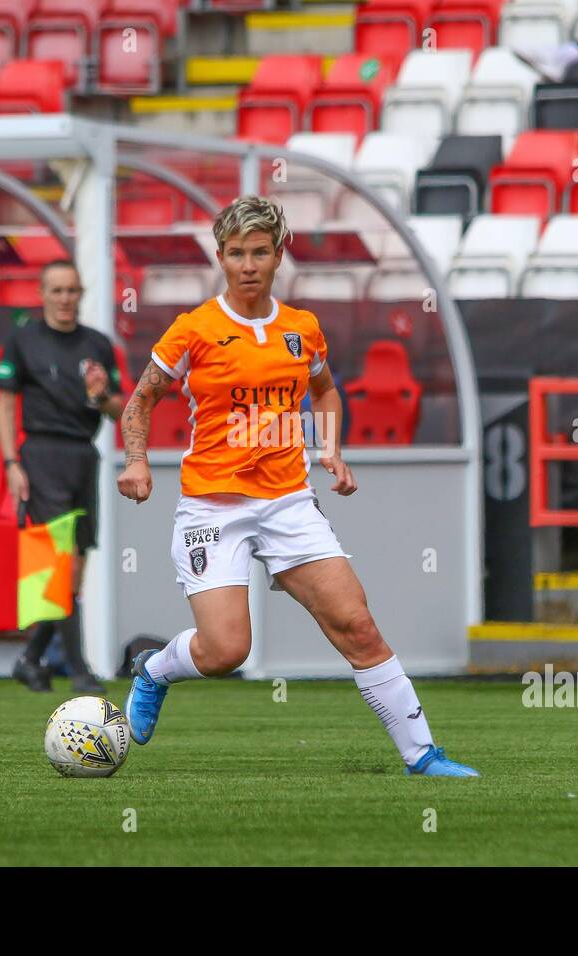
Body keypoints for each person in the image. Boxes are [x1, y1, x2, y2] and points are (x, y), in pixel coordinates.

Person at [115, 195, 479, 777]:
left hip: (288, 501)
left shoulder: (301, 329)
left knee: (357, 625)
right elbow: (141, 399)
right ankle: (155, 670)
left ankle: (422, 755)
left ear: (279, 255)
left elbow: (326, 390)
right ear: (221, 257)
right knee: (228, 651)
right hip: (213, 506)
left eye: (260, 252)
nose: (249, 265)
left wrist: (329, 448)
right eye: (236, 254)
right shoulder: (194, 330)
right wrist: (136, 461)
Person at [0, 260, 121, 694]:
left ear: (80, 293)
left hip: (84, 457)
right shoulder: (23, 340)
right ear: (43, 293)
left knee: (76, 568)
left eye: (72, 290)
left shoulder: (97, 344)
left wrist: (102, 396)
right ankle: (80, 670)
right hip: (41, 456)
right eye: (57, 290)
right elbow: (5, 405)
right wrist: (11, 463)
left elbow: (121, 409)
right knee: (58, 563)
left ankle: (30, 660)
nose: (65, 298)